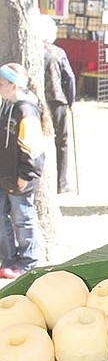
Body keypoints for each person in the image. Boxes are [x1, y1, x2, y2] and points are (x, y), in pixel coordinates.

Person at [0, 62, 49, 278]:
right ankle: (9, 258)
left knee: (23, 218)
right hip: (4, 175)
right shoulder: (6, 106)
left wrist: (24, 176)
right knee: (3, 217)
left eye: (1, 83)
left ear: (13, 85)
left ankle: (27, 261)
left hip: (20, 178)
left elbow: (33, 149)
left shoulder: (26, 110)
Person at [38, 16, 76, 193]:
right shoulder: (58, 52)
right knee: (61, 141)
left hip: (37, 101)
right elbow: (69, 79)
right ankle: (61, 182)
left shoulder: (34, 50)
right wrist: (71, 100)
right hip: (57, 100)